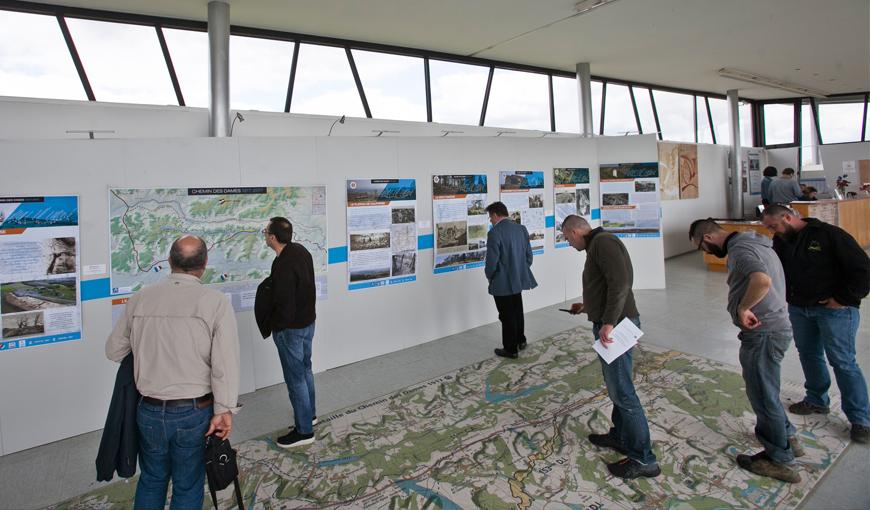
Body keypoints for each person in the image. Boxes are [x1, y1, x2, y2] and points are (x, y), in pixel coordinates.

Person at [106, 235, 240, 509]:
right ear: (204, 265)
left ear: (169, 262)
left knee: (152, 478)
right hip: (194, 412)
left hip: (148, 411)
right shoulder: (215, 302)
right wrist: (224, 410)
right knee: (188, 483)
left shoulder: (140, 298)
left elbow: (114, 351)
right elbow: (224, 364)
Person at [689, 219, 802, 483]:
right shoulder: (754, 242)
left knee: (763, 395)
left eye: (701, 246)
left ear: (708, 236)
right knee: (769, 389)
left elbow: (761, 281)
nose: (704, 251)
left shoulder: (741, 250)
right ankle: (788, 437)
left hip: (764, 332)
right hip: (775, 326)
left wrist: (743, 308)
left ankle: (779, 459)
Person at [760, 205, 870, 444]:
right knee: (809, 354)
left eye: (773, 226)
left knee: (843, 361)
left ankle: (861, 419)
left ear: (788, 218)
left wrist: (843, 299)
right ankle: (817, 400)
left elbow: (863, 269)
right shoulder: (782, 240)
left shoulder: (830, 235)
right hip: (800, 309)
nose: (772, 231)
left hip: (835, 311)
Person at [561, 215, 660, 479]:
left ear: (574, 230)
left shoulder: (602, 243)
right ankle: (621, 436)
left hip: (615, 325)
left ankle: (643, 459)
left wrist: (609, 322)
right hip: (611, 320)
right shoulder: (597, 244)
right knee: (617, 386)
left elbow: (620, 283)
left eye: (566, 237)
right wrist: (587, 306)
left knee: (623, 392)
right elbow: (605, 284)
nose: (567, 243)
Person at [261, 216, 318, 448]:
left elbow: (284, 304)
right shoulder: (301, 251)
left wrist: (278, 327)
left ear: (272, 237)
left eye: (265, 231)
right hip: (308, 324)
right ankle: (310, 415)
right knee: (305, 371)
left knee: (295, 379)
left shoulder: (283, 263)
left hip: (291, 330)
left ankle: (304, 431)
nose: (264, 235)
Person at [484, 201, 537, 359]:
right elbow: (529, 257)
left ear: (495, 214)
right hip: (518, 279)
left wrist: (490, 275)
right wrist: (520, 270)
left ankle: (510, 348)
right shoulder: (521, 229)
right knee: (517, 311)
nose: (490, 221)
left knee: (506, 315)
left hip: (501, 281)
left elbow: (492, 262)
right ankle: (521, 340)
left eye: (490, 217)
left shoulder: (495, 233)